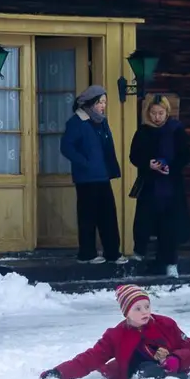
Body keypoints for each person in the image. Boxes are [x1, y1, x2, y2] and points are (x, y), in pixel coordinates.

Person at [40, 284, 190, 379]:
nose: (145, 312)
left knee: (165, 374)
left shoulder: (166, 324)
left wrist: (176, 359)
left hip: (169, 370)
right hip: (137, 376)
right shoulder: (116, 335)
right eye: (137, 308)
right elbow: (91, 358)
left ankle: (169, 378)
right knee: (148, 370)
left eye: (147, 306)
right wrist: (60, 372)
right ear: (127, 313)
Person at [129, 94, 190, 279]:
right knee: (144, 223)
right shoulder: (143, 131)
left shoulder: (176, 130)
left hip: (170, 186)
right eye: (154, 113)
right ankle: (141, 256)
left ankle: (171, 263)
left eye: (161, 113)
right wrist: (148, 163)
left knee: (169, 227)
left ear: (167, 112)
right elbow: (134, 155)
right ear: (149, 113)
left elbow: (185, 155)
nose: (157, 117)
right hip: (149, 185)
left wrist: (170, 167)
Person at [60, 84, 122, 263]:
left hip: (102, 176)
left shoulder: (101, 121)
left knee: (108, 216)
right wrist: (85, 163)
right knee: (88, 217)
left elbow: (107, 147)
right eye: (100, 102)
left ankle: (112, 253)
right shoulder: (77, 122)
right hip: (86, 178)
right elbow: (66, 147)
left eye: (104, 102)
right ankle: (87, 254)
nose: (103, 106)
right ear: (90, 103)